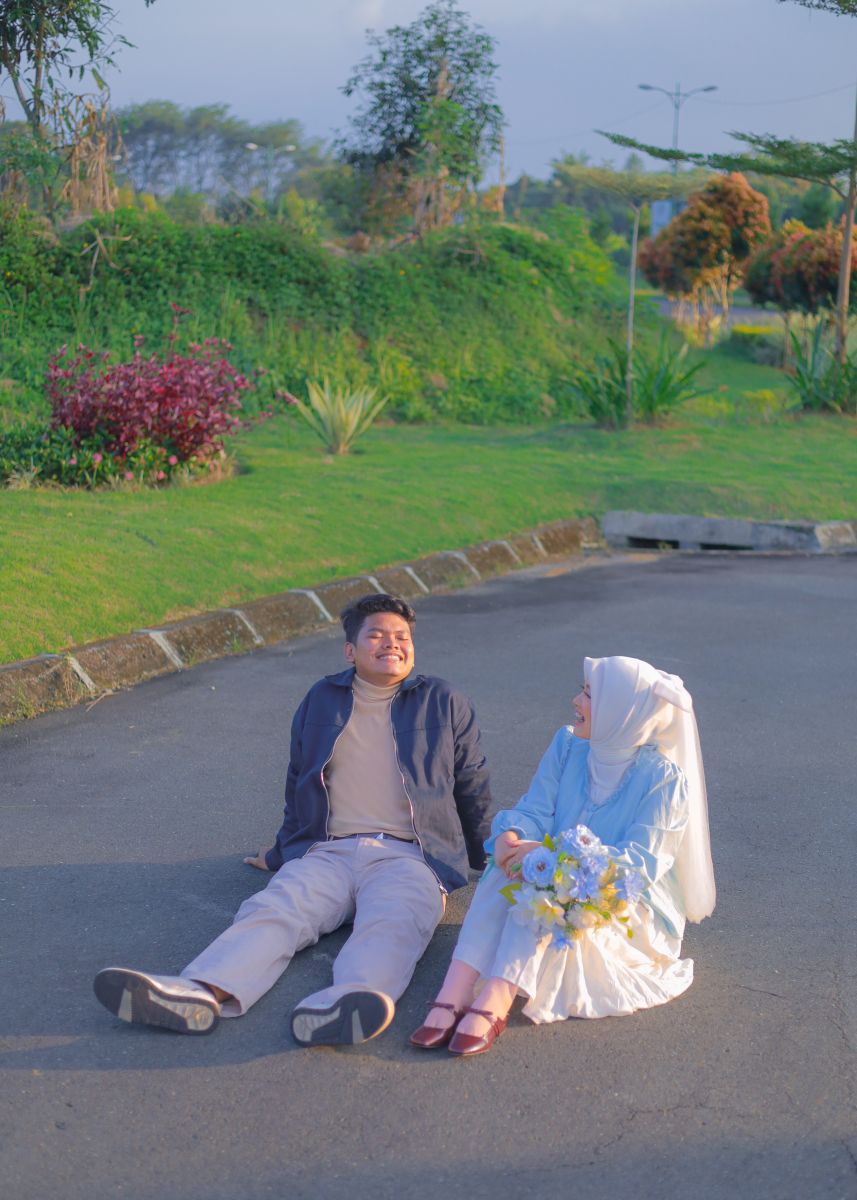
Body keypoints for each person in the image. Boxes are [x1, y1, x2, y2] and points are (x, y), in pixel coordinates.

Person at [94, 593, 492, 1047]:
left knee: (394, 921)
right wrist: (283, 850)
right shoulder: (322, 699)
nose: (392, 644)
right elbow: (299, 779)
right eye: (377, 635)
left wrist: (491, 855)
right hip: (330, 851)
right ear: (350, 650)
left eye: (402, 637)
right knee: (274, 910)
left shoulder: (443, 700)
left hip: (411, 858)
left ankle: (350, 1001)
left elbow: (472, 781)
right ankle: (199, 991)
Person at [410, 654, 715, 1057]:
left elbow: (640, 866)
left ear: (623, 711)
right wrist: (513, 836)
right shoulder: (568, 745)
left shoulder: (664, 779)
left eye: (589, 695)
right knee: (508, 866)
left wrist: (558, 861)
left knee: (545, 879)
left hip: (623, 900)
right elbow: (536, 810)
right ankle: (454, 990)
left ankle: (496, 997)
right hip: (556, 872)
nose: (576, 701)